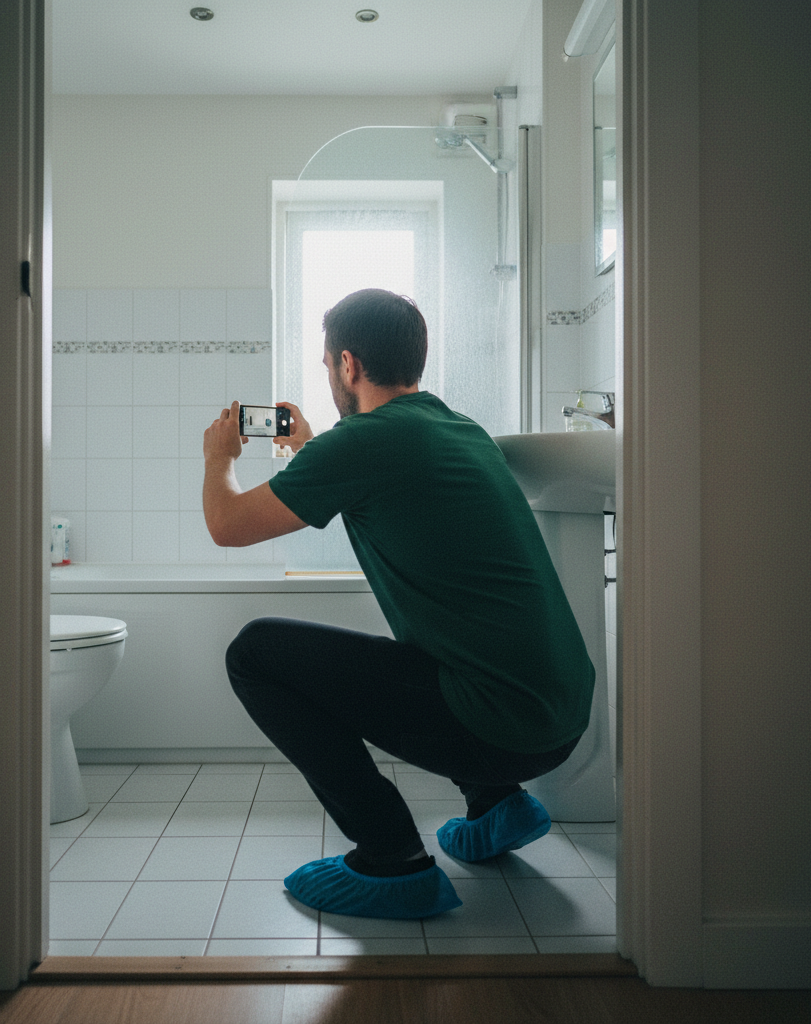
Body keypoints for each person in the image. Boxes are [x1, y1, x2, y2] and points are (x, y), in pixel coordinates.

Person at [202, 288, 594, 920]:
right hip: (558, 717)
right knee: (447, 643)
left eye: (328, 362)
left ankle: (391, 857)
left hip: (503, 725)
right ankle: (498, 805)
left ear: (348, 365)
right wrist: (310, 446)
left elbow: (226, 524)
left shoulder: (361, 445)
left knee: (255, 653)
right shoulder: (456, 428)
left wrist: (218, 458)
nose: (329, 374)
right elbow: (372, 482)